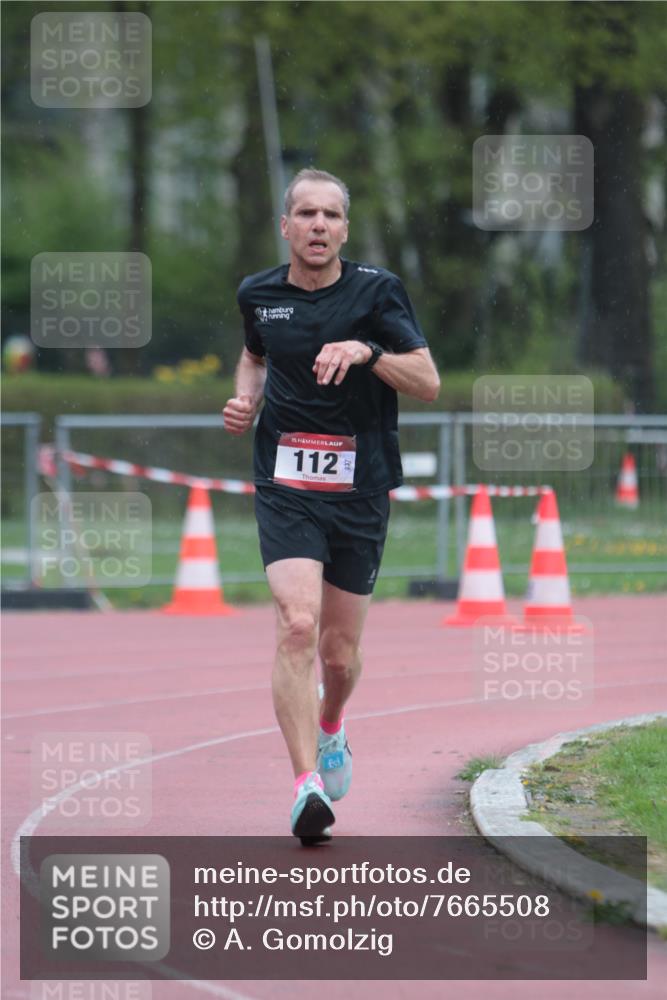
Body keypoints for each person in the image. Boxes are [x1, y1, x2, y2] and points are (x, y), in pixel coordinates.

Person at [223, 168, 440, 844]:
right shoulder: (258, 293)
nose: (318, 226)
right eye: (305, 214)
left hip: (359, 485)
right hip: (286, 481)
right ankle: (304, 784)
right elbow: (253, 355)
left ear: (344, 228)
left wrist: (368, 350)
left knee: (338, 653)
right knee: (295, 623)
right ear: (285, 226)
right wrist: (244, 397)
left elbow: (427, 382)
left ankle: (331, 725)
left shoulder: (377, 293)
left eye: (330, 216)